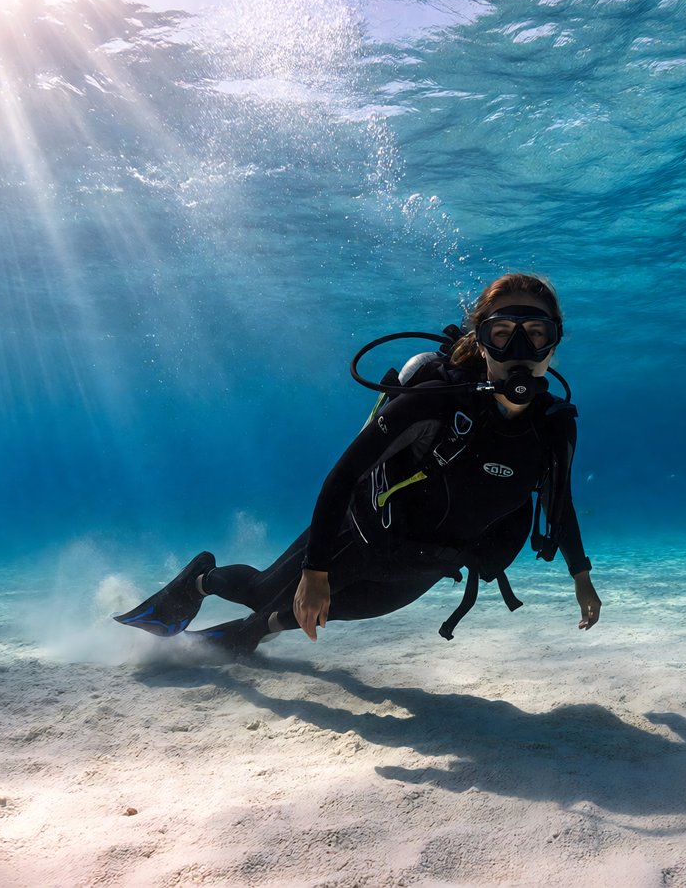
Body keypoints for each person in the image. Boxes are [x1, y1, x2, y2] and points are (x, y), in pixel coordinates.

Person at [115, 273, 600, 655]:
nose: (519, 353)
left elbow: (561, 500)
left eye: (535, 335)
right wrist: (316, 570)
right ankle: (203, 582)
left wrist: (582, 576)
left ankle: (252, 633)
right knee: (266, 591)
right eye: (502, 334)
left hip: (420, 566)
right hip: (355, 534)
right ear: (481, 340)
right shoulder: (430, 402)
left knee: (313, 614)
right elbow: (343, 477)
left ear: (554, 345)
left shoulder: (555, 425)